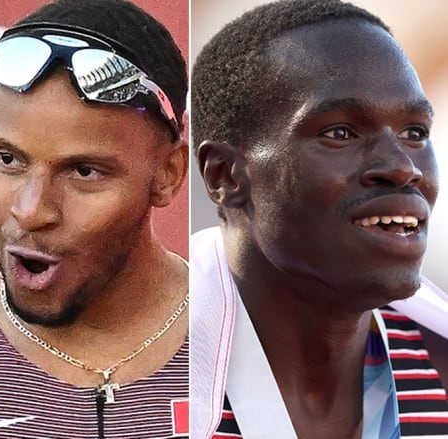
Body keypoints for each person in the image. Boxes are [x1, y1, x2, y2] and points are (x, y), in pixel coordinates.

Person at [0, 0, 189, 437]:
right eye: (6, 158)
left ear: (168, 174)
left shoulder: (255, 347)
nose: (30, 212)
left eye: (84, 171)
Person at [190, 0, 448, 437]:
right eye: (340, 133)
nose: (404, 167)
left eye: (414, 132)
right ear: (226, 175)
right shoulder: (142, 385)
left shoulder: (438, 361)